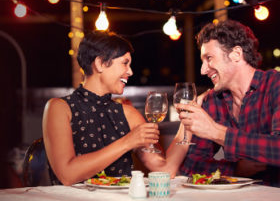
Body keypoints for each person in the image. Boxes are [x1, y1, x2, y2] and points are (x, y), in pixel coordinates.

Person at [42, 31, 167, 186]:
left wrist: (185, 130)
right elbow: (67, 175)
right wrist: (127, 142)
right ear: (100, 63)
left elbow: (163, 169)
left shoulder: (128, 113)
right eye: (125, 63)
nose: (130, 71)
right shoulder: (59, 108)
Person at [172, 20, 280, 187]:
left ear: (236, 54)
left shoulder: (275, 84)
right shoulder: (215, 100)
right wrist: (235, 169)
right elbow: (190, 165)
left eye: (209, 58)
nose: (203, 70)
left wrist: (216, 132)